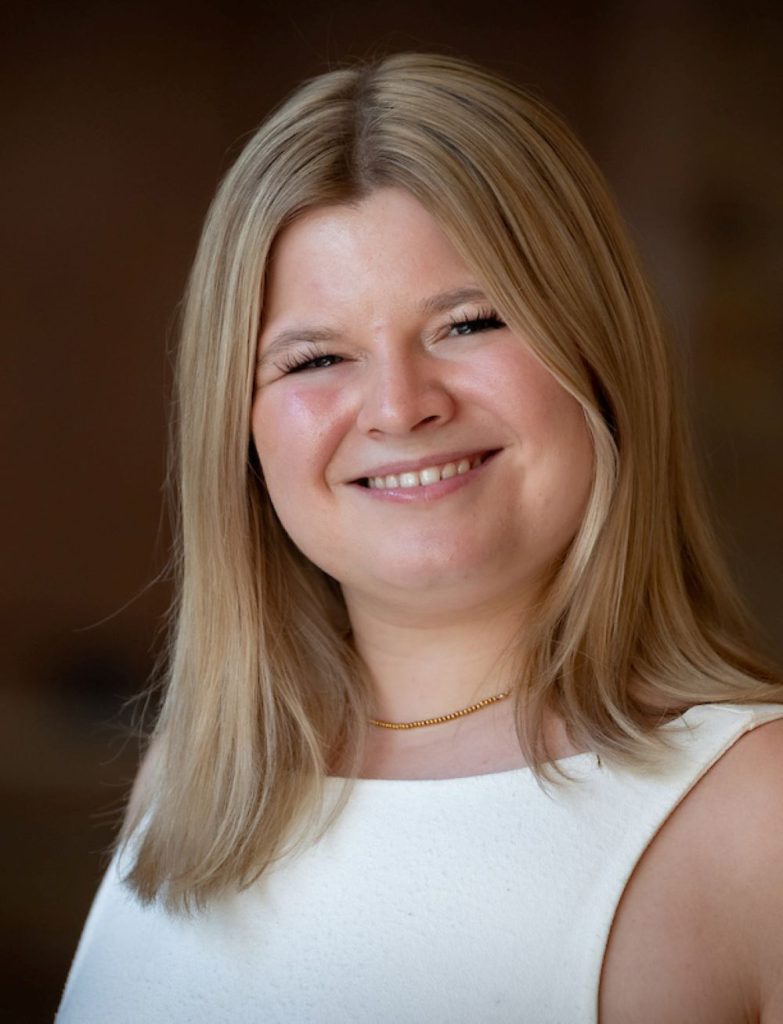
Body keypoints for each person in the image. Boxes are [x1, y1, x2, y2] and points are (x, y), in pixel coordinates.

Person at [57, 53, 783, 1023]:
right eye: (316, 357)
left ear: (598, 357)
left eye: (469, 323)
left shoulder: (758, 819)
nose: (399, 408)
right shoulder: (191, 786)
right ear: (240, 428)